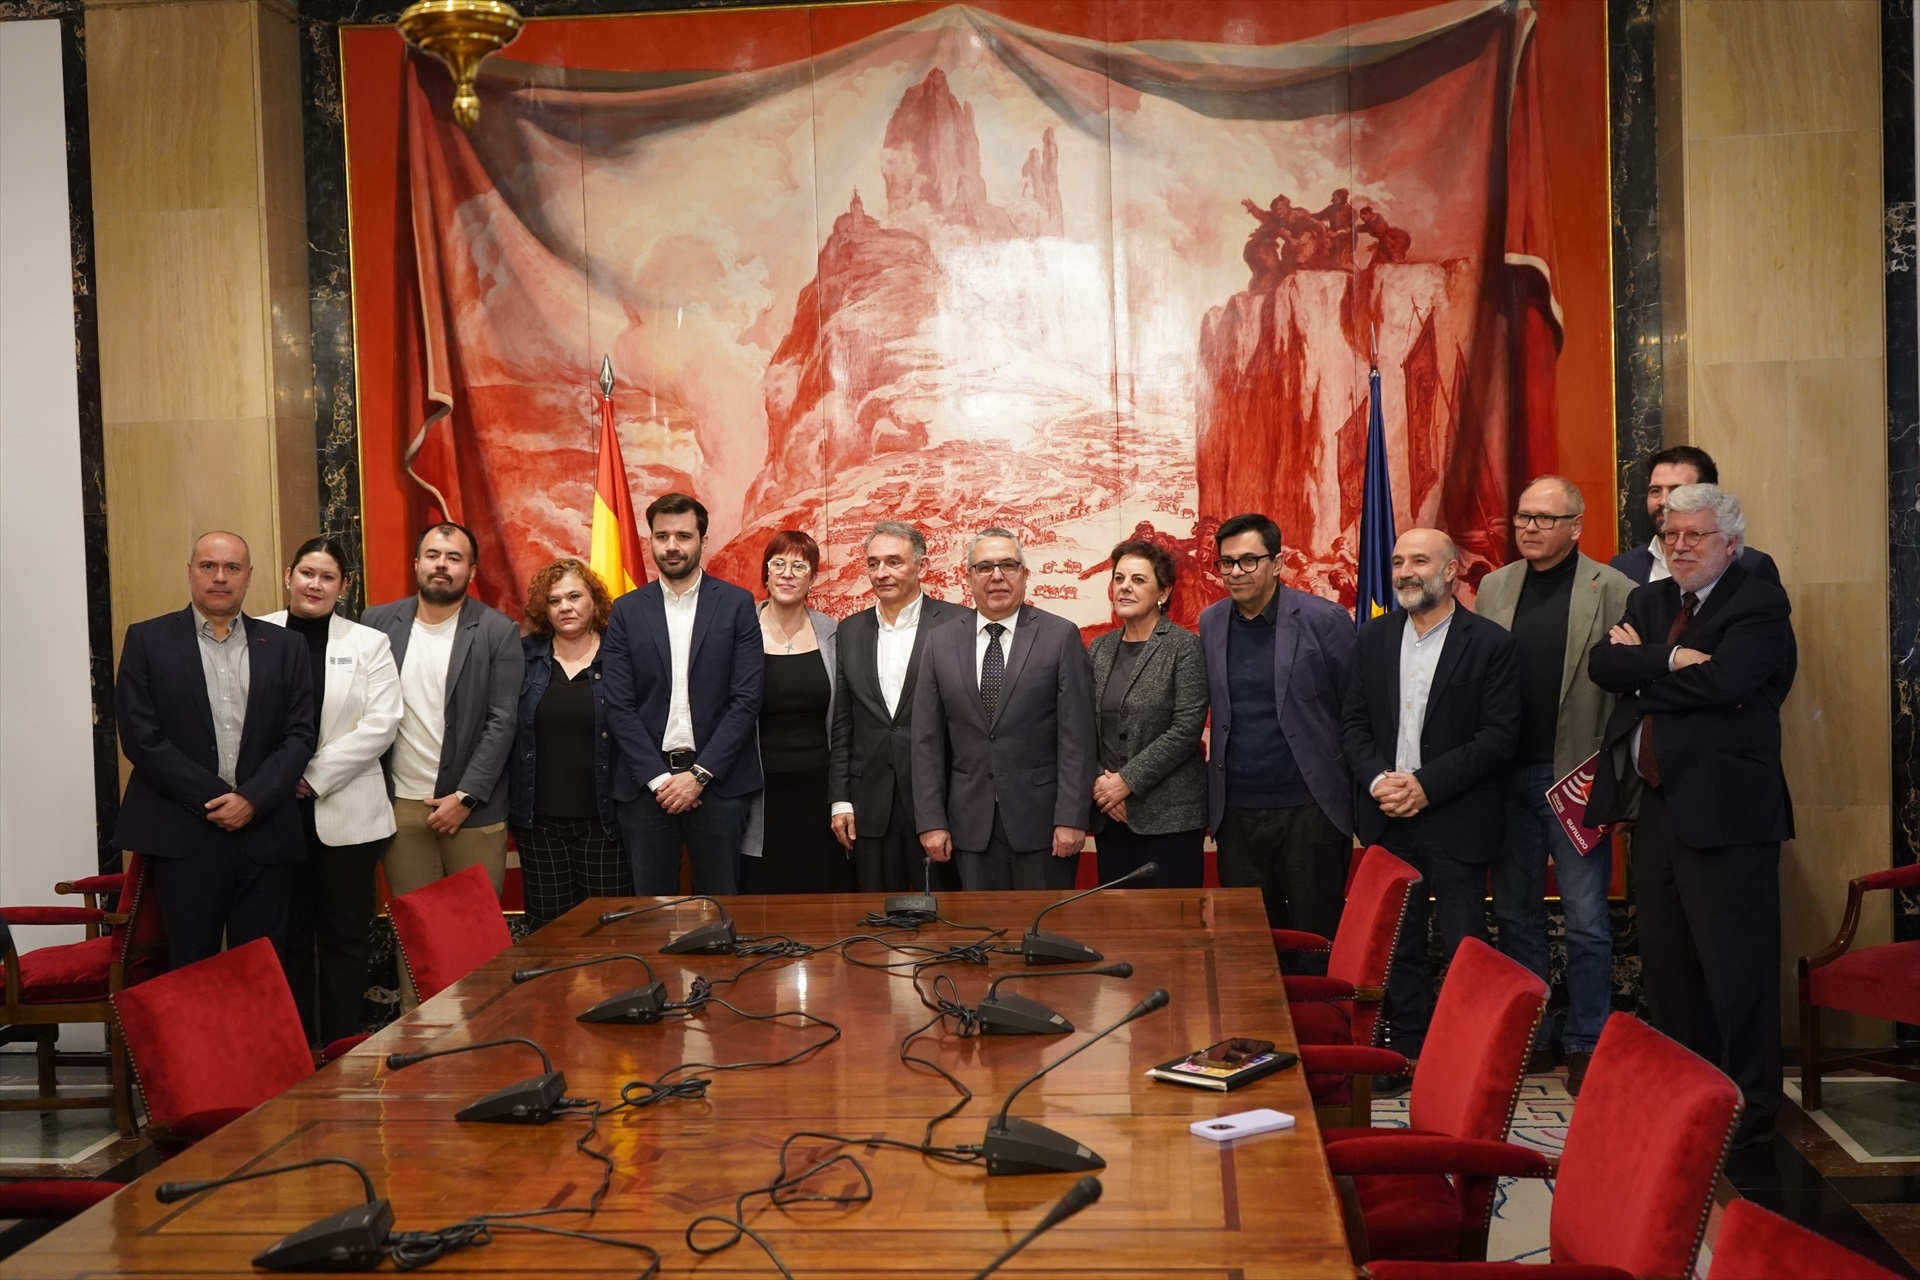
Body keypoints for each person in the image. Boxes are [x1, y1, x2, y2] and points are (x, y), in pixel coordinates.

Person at [1586, 484, 1795, 1149]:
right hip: (1655, 811)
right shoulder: (1649, 600)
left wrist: (1642, 673)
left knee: (1735, 969)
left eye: (1693, 536)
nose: (1678, 546)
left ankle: (1749, 1104)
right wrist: (1671, 659)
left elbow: (1727, 683)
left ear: (1730, 544)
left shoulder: (1757, 601)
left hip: (1728, 815)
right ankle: (1689, 1094)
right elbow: (1603, 665)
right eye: (1670, 536)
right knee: (1670, 965)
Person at [1472, 478, 1634, 1093]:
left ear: (1577, 525)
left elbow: (1629, 694)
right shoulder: (1494, 586)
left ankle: (1587, 1039)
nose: (1531, 528)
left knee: (1587, 918)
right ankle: (1530, 1037)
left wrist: (1619, 787)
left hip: (1577, 778)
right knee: (1514, 916)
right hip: (1505, 777)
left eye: (1545, 519)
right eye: (1523, 518)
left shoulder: (1613, 587)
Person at [1342, 528, 1519, 1063]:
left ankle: (1464, 1056)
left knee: (1465, 943)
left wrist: (1424, 786)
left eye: (1420, 560)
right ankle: (1408, 1050)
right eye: (1398, 561)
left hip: (1457, 817)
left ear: (1451, 571)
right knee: (1399, 944)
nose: (1405, 572)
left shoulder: (1491, 644)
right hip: (1387, 816)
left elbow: (1499, 737)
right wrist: (1380, 782)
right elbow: (1352, 725)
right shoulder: (1372, 638)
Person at [112, 532, 315, 968]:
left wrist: (251, 800)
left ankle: (257, 1042)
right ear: (190, 573)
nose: (220, 577)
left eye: (232, 568)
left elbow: (300, 735)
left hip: (264, 835)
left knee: (260, 971)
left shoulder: (285, 646)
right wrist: (216, 799)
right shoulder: (147, 641)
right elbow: (140, 738)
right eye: (208, 566)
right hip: (184, 835)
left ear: (248, 577)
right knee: (190, 969)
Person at [259, 538, 401, 1047]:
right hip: (273, 814)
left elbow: (381, 724)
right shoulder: (258, 634)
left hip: (346, 813)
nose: (314, 584)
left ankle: (342, 1047)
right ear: (288, 575)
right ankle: (294, 1049)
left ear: (343, 586)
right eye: (306, 573)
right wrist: (277, 780)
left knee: (344, 938)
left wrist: (311, 775)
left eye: (327, 577)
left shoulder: (368, 643)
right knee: (286, 938)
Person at [1199, 513, 1356, 949]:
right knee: (1251, 945)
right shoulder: (1211, 623)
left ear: (1278, 562)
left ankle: (1323, 1019)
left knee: (1314, 939)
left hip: (1309, 809)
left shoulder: (1324, 619)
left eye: (1249, 561)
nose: (1235, 572)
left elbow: (1355, 710)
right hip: (1236, 814)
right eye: (1226, 563)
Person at [912, 528, 1096, 891]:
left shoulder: (1060, 636)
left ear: (1025, 575)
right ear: (968, 577)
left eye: (1008, 565)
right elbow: (926, 741)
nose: (997, 576)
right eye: (984, 567)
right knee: (981, 939)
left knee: (1045, 936)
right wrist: (931, 822)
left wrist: (1072, 818)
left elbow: (1078, 737)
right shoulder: (940, 641)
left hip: (1044, 826)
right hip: (969, 826)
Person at [600, 492, 762, 895]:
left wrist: (699, 776)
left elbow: (745, 701)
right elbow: (618, 705)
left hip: (718, 786)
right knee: (651, 910)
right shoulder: (626, 610)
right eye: (662, 536)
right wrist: (659, 780)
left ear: (702, 541)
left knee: (722, 908)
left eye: (683, 536)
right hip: (645, 787)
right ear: (651, 541)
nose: (672, 546)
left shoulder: (737, 605)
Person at [361, 523, 523, 922]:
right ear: (417, 563)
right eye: (433, 555)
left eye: (454, 558)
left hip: (472, 810)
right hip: (399, 808)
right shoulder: (376, 623)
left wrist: (466, 796)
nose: (441, 565)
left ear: (470, 571)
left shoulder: (498, 632)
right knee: (414, 929)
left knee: (475, 928)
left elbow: (502, 722)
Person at [829, 522, 968, 895]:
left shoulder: (958, 624)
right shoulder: (849, 630)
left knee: (944, 921)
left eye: (893, 561)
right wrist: (840, 799)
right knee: (877, 923)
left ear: (921, 566)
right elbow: (844, 724)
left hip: (939, 807)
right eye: (873, 563)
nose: (881, 573)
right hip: (870, 807)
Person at [508, 558, 629, 929]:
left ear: (594, 600)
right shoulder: (524, 656)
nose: (566, 606)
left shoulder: (622, 655)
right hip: (539, 826)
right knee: (550, 936)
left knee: (611, 933)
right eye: (555, 600)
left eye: (575, 596)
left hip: (605, 825)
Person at [1088, 538, 1208, 887]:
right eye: (1119, 578)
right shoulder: (1100, 647)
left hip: (1169, 818)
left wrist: (1126, 782)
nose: (1125, 587)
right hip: (1111, 815)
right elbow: (1081, 724)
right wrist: (1102, 784)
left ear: (1164, 591)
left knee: (1172, 928)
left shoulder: (1184, 647)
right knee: (1120, 930)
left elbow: (1185, 729)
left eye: (1138, 580)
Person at [741, 531, 850, 893]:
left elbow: (844, 722)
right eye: (778, 564)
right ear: (766, 574)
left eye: (799, 566)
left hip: (819, 790)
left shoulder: (832, 633)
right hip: (759, 793)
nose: (788, 573)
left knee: (821, 894)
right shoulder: (741, 632)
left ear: (812, 578)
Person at [1611, 445, 1779, 587]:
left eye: (1677, 490)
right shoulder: (1623, 567)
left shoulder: (1751, 566)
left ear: (1707, 494)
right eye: (1655, 491)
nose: (1663, 501)